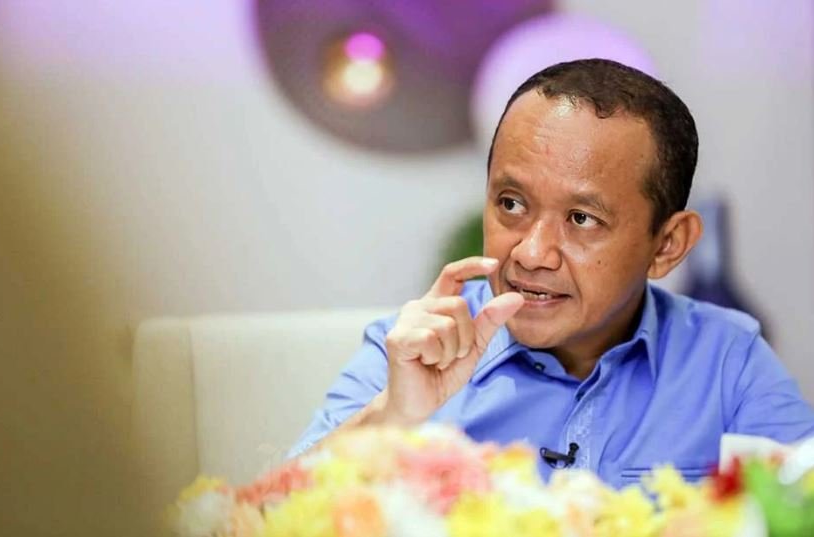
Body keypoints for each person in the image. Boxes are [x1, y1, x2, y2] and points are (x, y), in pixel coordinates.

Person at [289, 59, 814, 487]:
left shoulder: (728, 361)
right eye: (511, 204)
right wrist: (391, 417)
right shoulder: (409, 353)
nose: (532, 252)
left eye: (582, 219)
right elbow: (261, 521)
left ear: (667, 244)